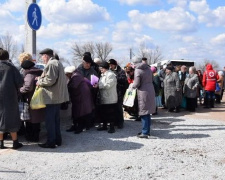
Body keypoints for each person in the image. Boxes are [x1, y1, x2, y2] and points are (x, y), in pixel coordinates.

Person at [36, 48, 69, 148]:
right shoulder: (57, 62)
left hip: (52, 97)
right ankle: (57, 140)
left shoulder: (51, 64)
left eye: (42, 56)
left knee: (50, 121)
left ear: (46, 55)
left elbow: (50, 80)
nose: (42, 58)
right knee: (55, 120)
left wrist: (39, 81)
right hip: (57, 96)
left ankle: (51, 142)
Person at [0, 49, 24, 149]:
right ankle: (15, 142)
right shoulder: (12, 68)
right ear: (7, 56)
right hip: (10, 96)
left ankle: (0, 143)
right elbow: (20, 82)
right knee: (12, 118)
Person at [19, 52, 45, 142]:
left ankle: (33, 137)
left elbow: (27, 87)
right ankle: (35, 135)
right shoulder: (38, 71)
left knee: (31, 119)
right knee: (37, 119)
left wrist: (20, 90)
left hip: (31, 99)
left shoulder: (29, 73)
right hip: (39, 98)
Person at [65, 66, 94, 134]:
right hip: (79, 97)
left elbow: (73, 86)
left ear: (70, 73)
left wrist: (66, 87)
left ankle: (79, 127)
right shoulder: (77, 75)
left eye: (66, 74)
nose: (66, 75)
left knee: (80, 112)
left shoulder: (76, 77)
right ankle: (75, 125)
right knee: (76, 111)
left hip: (81, 98)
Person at [132, 57, 156, 138]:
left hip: (143, 91)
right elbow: (152, 79)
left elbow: (136, 83)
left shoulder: (137, 70)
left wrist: (132, 86)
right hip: (150, 90)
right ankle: (147, 130)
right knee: (148, 112)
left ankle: (145, 132)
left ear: (135, 63)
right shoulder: (148, 68)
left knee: (144, 111)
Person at [93, 61, 118, 133]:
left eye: (101, 68)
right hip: (104, 97)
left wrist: (99, 86)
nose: (100, 69)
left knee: (110, 113)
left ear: (105, 68)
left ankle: (112, 127)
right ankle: (104, 126)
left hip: (110, 97)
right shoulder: (102, 75)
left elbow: (108, 85)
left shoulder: (111, 75)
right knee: (104, 112)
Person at [108, 59, 128, 129]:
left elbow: (124, 79)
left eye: (111, 65)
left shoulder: (120, 71)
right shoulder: (109, 70)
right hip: (112, 92)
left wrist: (115, 77)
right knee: (113, 108)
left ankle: (120, 122)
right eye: (109, 65)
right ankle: (115, 121)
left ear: (115, 64)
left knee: (119, 107)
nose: (110, 66)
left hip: (119, 91)